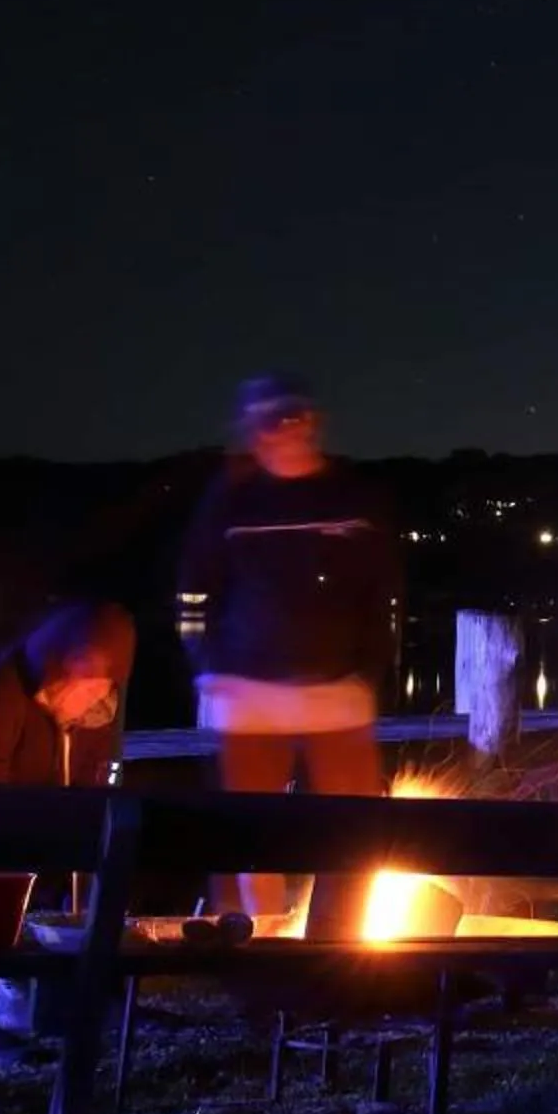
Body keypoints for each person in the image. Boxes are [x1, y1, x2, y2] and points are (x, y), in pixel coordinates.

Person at [178, 374, 402, 917]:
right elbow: (192, 588)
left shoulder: (350, 495)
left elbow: (384, 591)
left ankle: (336, 952)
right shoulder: (233, 498)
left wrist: (368, 668)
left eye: (293, 415)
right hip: (244, 690)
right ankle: (247, 950)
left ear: (313, 422)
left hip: (338, 692)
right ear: (252, 430)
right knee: (244, 835)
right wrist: (207, 663)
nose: (283, 429)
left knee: (352, 831)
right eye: (269, 419)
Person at [0, 603, 136, 1104]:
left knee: (62, 881)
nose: (91, 692)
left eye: (100, 681)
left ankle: (17, 1009)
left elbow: (83, 788)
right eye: (80, 675)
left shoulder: (85, 710)